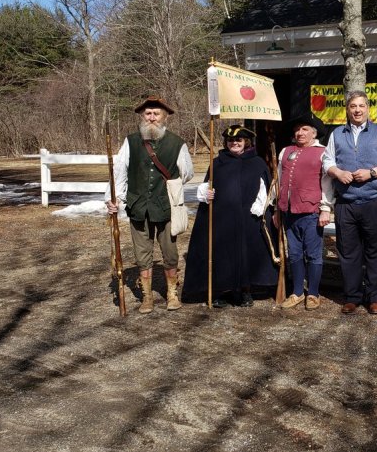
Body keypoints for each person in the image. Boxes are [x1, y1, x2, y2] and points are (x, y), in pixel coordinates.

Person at [105, 95, 194, 313]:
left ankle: (172, 294)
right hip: (138, 206)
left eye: (156, 113)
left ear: (165, 117)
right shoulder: (131, 141)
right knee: (142, 254)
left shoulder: (177, 143)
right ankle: (147, 298)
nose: (152, 117)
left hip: (165, 207)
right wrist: (114, 198)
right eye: (148, 113)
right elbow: (119, 172)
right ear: (142, 116)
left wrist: (170, 187)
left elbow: (187, 173)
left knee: (170, 252)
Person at [182, 124, 277, 307]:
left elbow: (265, 188)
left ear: (246, 142)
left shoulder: (256, 162)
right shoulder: (217, 163)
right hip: (222, 217)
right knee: (222, 254)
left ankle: (245, 291)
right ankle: (220, 291)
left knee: (246, 253)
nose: (235, 143)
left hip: (249, 217)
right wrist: (205, 193)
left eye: (239, 140)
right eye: (231, 140)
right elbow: (207, 186)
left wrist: (260, 206)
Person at [323, 90, 377, 315]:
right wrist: (337, 172)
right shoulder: (337, 133)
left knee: (376, 250)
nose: (357, 110)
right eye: (353, 106)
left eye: (361, 106)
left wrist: (372, 172)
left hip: (373, 200)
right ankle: (352, 296)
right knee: (348, 251)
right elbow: (327, 159)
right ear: (347, 109)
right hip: (345, 202)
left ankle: (375, 297)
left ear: (368, 109)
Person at [274, 113, 333, 310]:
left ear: (313, 133)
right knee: (295, 253)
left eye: (305, 129)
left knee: (314, 254)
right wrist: (277, 208)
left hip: (311, 211)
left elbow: (327, 183)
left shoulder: (323, 152)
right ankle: (297, 292)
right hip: (289, 212)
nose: (300, 133)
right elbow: (280, 182)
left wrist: (325, 208)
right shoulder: (286, 151)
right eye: (298, 129)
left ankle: (314, 293)